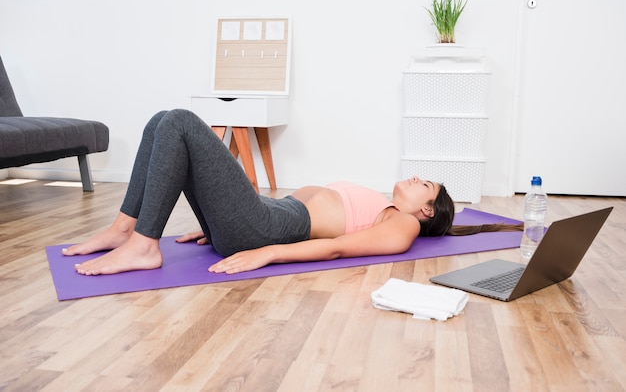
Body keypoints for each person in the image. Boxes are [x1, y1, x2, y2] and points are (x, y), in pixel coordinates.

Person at [63, 109, 521, 276]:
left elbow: (339, 248)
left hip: (265, 226)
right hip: (258, 215)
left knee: (180, 121)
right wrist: (222, 223)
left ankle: (143, 246)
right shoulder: (387, 207)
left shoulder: (401, 225)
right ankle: (124, 229)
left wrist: (268, 254)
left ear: (425, 210)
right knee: (162, 120)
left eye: (427, 184)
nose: (418, 176)